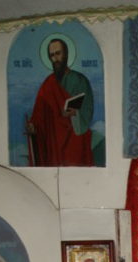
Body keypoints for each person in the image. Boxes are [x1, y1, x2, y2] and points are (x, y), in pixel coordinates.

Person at [26, 37, 94, 166]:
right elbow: (39, 114)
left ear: (66, 54)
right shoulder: (48, 84)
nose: (55, 58)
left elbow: (87, 111)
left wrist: (75, 114)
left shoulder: (80, 80)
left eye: (58, 53)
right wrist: (33, 126)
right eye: (52, 55)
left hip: (74, 140)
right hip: (54, 142)